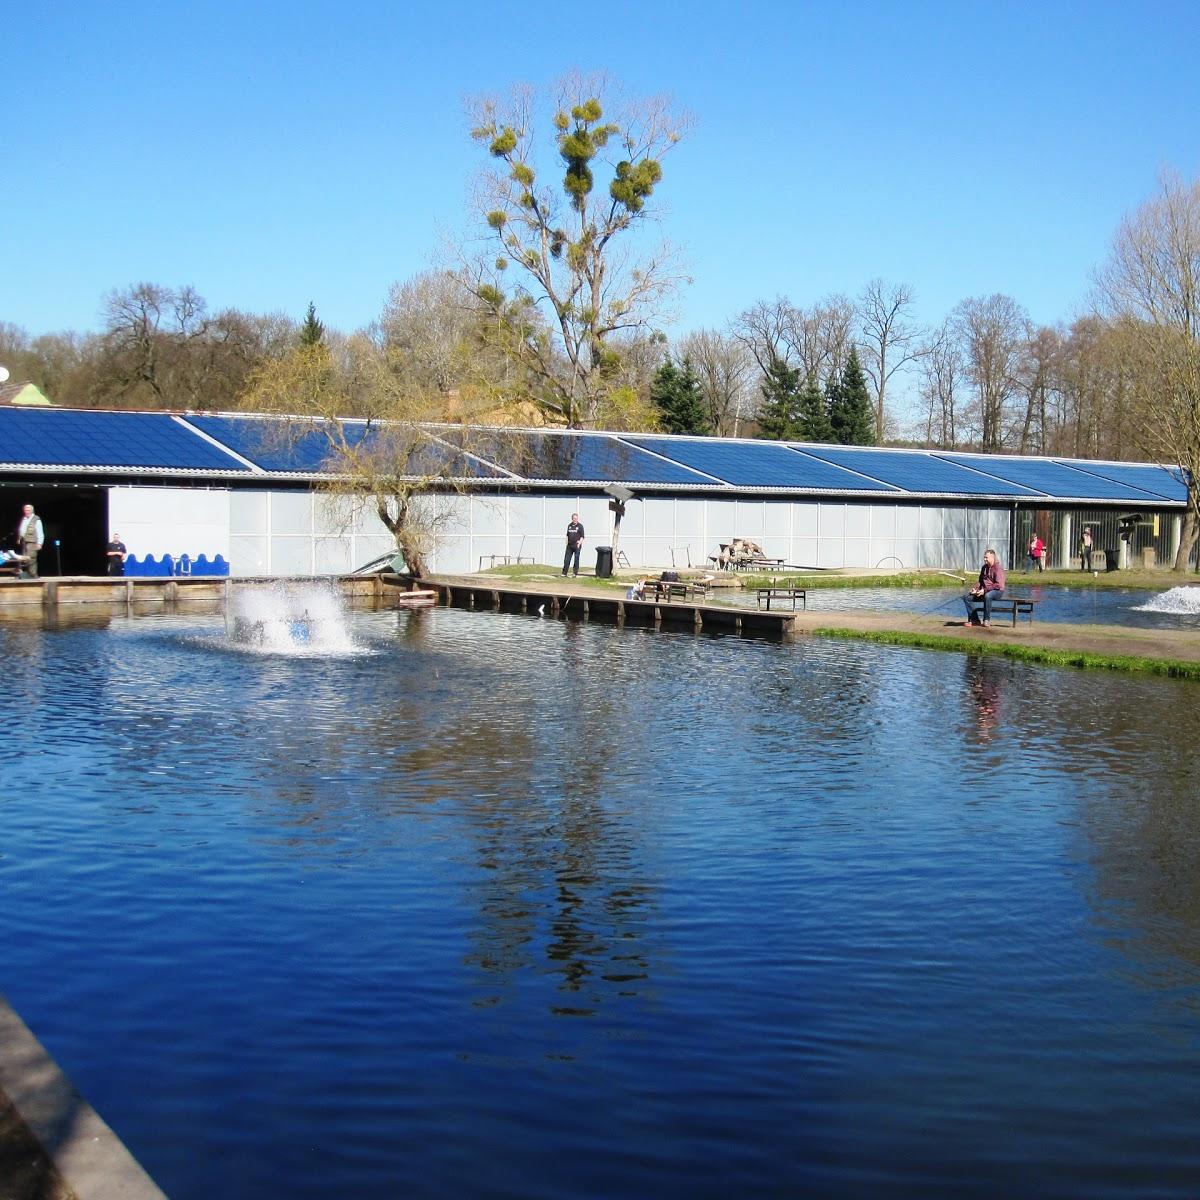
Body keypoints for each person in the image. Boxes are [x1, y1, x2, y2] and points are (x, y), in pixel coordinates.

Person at [963, 548, 1006, 627]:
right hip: (985, 590)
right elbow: (980, 581)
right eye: (984, 557)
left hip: (997, 591)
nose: (984, 559)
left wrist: (984, 590)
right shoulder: (984, 567)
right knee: (967, 597)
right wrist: (975, 589)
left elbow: (998, 585)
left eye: (986, 557)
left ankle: (986, 620)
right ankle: (975, 620)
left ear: (992, 557)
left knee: (988, 596)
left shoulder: (998, 568)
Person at [17, 504, 43, 578]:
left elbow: (40, 532)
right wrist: (19, 538)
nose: (26, 511)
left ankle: (33, 575)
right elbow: (22, 530)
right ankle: (28, 574)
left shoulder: (36, 519)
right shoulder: (24, 519)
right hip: (25, 542)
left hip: (32, 542)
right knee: (25, 559)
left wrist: (40, 543)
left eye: (28, 510)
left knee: (31, 558)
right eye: (25, 510)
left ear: (32, 510)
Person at [562, 513, 585, 577]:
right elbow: (567, 535)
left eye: (576, 518)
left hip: (577, 546)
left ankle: (575, 573)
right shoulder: (569, 525)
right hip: (569, 545)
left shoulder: (580, 526)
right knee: (566, 559)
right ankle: (564, 573)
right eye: (574, 518)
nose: (575, 519)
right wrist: (566, 543)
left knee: (576, 559)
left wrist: (579, 543)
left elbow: (582, 536)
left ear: (577, 519)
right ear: (572, 519)